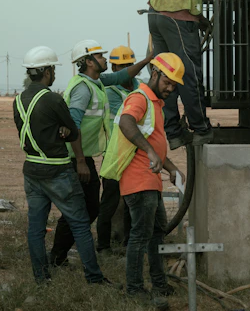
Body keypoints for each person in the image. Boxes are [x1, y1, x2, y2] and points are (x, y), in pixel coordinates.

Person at [12, 46, 111, 285]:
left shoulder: (18, 100)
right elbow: (73, 130)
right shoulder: (52, 99)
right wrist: (67, 138)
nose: (54, 73)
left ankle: (41, 278)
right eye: (53, 69)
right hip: (57, 169)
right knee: (80, 223)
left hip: (32, 169)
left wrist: (61, 131)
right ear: (46, 72)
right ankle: (94, 278)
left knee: (36, 228)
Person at [50, 39, 151, 267]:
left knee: (87, 208)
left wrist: (147, 60)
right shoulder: (83, 89)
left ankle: (59, 254)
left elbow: (122, 75)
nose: (105, 59)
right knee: (83, 208)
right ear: (88, 61)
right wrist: (80, 162)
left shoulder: (97, 81)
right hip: (76, 158)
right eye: (101, 56)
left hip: (84, 156)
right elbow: (73, 127)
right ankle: (59, 255)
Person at [118, 52, 186, 309]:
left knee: (156, 234)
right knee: (140, 235)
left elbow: (153, 144)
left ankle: (159, 282)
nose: (170, 88)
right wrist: (148, 152)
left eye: (174, 85)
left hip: (151, 180)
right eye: (167, 82)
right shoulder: (140, 97)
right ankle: (134, 288)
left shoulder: (155, 101)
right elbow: (126, 123)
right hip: (139, 181)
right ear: (155, 74)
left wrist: (170, 167)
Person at [148, 0, 216, 150]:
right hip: (177, 17)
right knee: (189, 74)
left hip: (156, 13)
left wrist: (199, 19)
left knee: (164, 74)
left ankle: (174, 132)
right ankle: (200, 129)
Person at [96, 45, 151, 254]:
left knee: (132, 200)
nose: (128, 69)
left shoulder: (140, 88)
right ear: (115, 67)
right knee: (109, 201)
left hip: (135, 153)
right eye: (122, 66)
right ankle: (103, 246)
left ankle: (130, 243)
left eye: (130, 64)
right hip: (115, 153)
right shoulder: (110, 91)